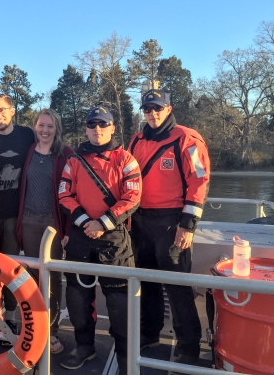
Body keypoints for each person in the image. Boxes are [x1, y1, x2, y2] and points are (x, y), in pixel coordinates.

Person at [128, 89, 210, 372]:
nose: (152, 113)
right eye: (147, 108)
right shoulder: (137, 140)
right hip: (140, 222)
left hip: (171, 222)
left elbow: (199, 181)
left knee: (177, 286)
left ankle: (189, 347)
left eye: (157, 108)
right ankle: (150, 335)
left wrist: (187, 226)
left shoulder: (187, 139)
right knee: (146, 283)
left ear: (168, 108)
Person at [58, 105, 141, 371]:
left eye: (103, 124)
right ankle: (84, 347)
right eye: (92, 125)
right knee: (78, 299)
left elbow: (133, 197)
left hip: (114, 237)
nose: (97, 130)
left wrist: (103, 223)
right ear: (86, 128)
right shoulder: (73, 160)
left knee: (119, 303)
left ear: (113, 127)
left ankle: (126, 354)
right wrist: (86, 223)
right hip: (81, 236)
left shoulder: (125, 159)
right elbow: (64, 195)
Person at [15, 109, 74, 355]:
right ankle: (32, 327)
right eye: (41, 125)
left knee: (51, 279)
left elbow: (74, 191)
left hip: (53, 223)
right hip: (28, 220)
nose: (45, 130)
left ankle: (51, 331)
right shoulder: (28, 151)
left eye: (50, 126)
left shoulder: (66, 154)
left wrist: (67, 229)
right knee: (30, 276)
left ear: (56, 128)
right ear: (35, 127)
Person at [0, 94, 35, 330]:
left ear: (12, 111)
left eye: (2, 110)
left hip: (14, 214)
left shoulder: (26, 135)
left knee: (11, 267)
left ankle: (11, 313)